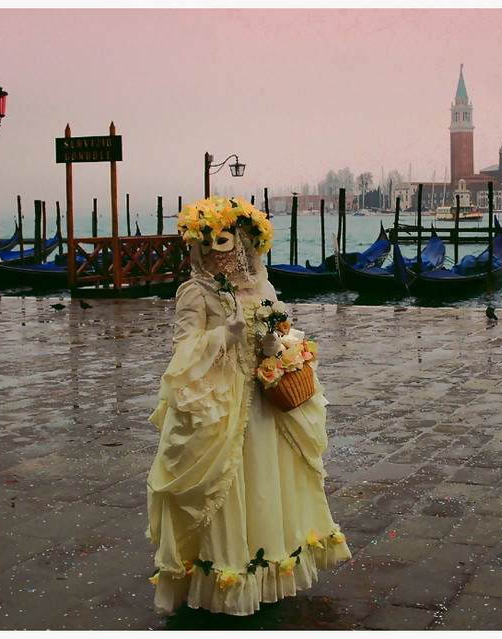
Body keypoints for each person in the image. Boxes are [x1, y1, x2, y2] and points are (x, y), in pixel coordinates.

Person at [146, 197, 351, 616]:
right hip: (221, 401)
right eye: (208, 245)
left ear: (244, 244)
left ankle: (270, 561)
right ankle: (226, 571)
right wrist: (223, 335)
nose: (218, 254)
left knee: (266, 480)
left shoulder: (262, 286)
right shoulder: (194, 292)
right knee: (229, 480)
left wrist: (279, 346)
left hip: (266, 400)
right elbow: (182, 352)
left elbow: (281, 327)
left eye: (227, 243)